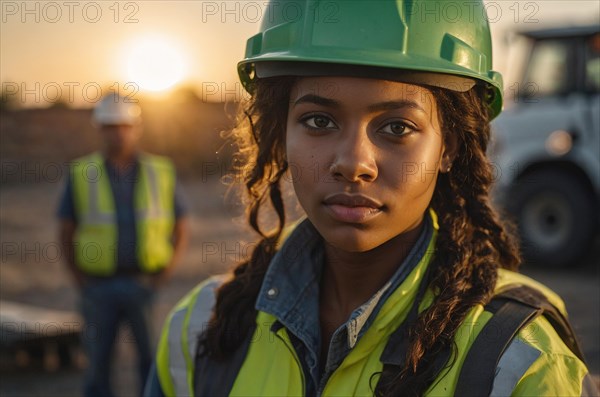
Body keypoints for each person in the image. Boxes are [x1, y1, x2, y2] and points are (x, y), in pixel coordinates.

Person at [145, 1, 597, 396]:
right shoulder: (203, 328)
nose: (353, 162)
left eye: (397, 127)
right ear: (280, 132)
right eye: (319, 121)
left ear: (450, 147)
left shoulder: (519, 361)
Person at [58, 92, 189, 397]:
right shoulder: (82, 172)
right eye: (110, 126)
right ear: (99, 129)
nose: (117, 132)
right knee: (98, 365)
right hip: (97, 287)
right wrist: (81, 281)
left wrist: (163, 274)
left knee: (149, 362)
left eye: (123, 125)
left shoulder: (160, 172)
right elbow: (66, 229)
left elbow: (180, 226)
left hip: (143, 283)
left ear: (136, 127)